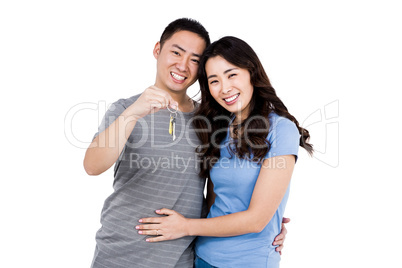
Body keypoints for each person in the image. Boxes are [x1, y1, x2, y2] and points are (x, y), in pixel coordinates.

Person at [84, 19, 288, 268]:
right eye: (176, 52)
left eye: (194, 59)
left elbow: (220, 192)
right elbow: (92, 166)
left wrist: (268, 223)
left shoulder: (210, 121)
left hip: (183, 259)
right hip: (121, 255)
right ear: (158, 50)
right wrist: (134, 113)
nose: (183, 65)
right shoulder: (126, 109)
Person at [135, 36, 313, 267]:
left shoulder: (281, 129)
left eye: (232, 75)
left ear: (251, 72)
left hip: (249, 261)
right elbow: (214, 201)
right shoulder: (218, 128)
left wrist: (185, 226)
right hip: (202, 257)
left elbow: (257, 220)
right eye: (214, 80)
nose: (225, 88)